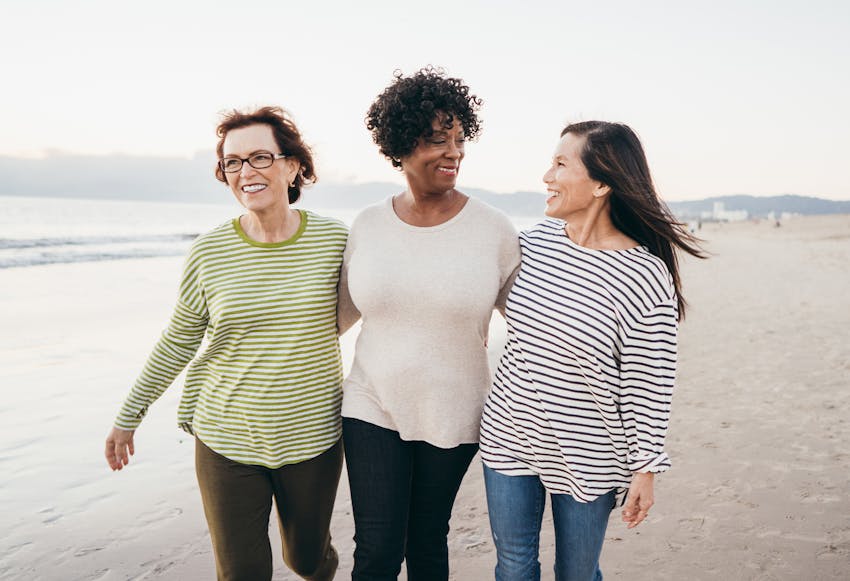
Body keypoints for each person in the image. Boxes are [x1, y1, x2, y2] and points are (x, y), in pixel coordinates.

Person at [104, 106, 347, 581]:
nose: (245, 172)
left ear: (293, 165)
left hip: (312, 436)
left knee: (309, 561)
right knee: (242, 573)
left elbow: (379, 304)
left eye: (259, 157)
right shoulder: (209, 251)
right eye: (232, 163)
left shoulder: (334, 239)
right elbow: (178, 340)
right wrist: (128, 416)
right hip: (226, 436)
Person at [479, 121, 705, 581]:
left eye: (561, 164)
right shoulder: (533, 242)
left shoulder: (644, 275)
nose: (547, 176)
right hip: (509, 437)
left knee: (577, 574)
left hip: (591, 452)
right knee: (514, 568)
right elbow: (478, 294)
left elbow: (650, 381)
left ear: (602, 183)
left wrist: (647, 468)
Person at [337, 67, 520, 581]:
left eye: (460, 139)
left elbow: (531, 324)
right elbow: (334, 318)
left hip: (455, 409)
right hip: (371, 402)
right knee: (375, 549)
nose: (454, 152)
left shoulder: (493, 229)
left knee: (426, 541)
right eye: (438, 140)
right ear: (400, 148)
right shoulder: (369, 225)